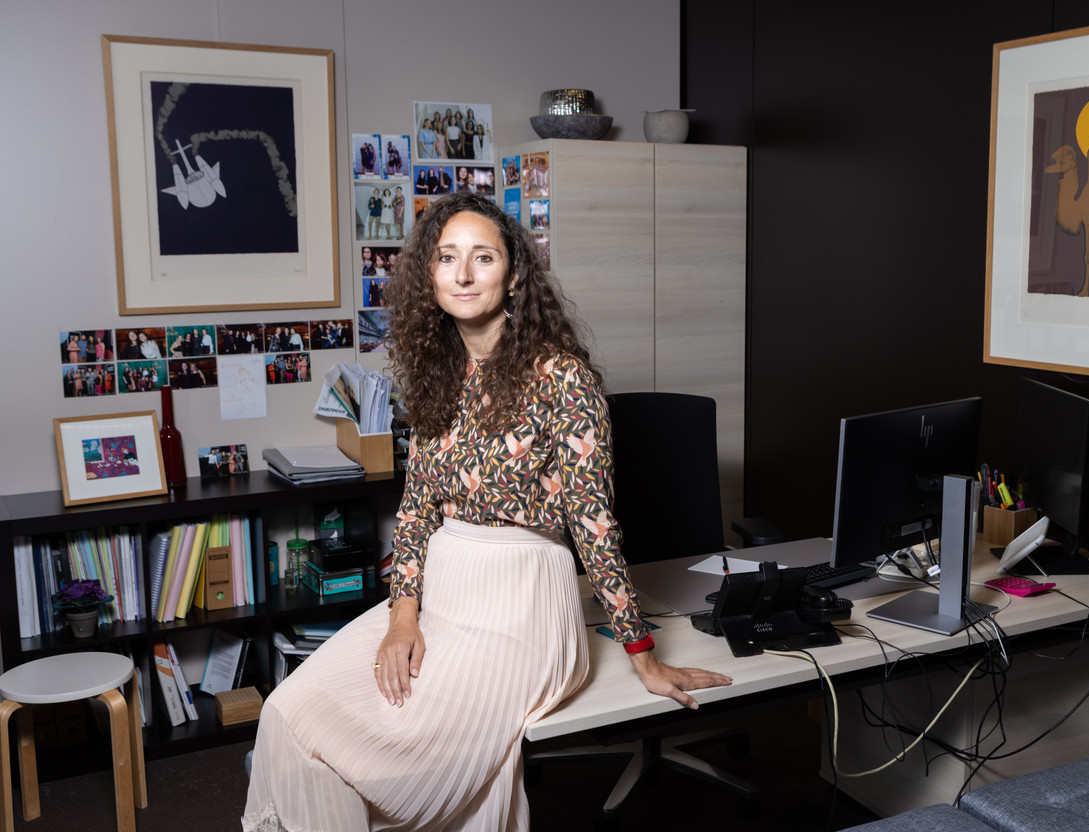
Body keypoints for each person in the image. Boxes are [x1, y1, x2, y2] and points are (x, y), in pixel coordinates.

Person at [243, 191, 732, 831]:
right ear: (431, 276)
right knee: (287, 711)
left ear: (514, 273)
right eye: (447, 258)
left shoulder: (562, 378)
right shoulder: (436, 374)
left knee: (387, 756)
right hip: (443, 592)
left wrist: (643, 653)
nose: (464, 274)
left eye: (483, 257)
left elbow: (594, 524)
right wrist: (402, 618)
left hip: (522, 603)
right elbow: (417, 510)